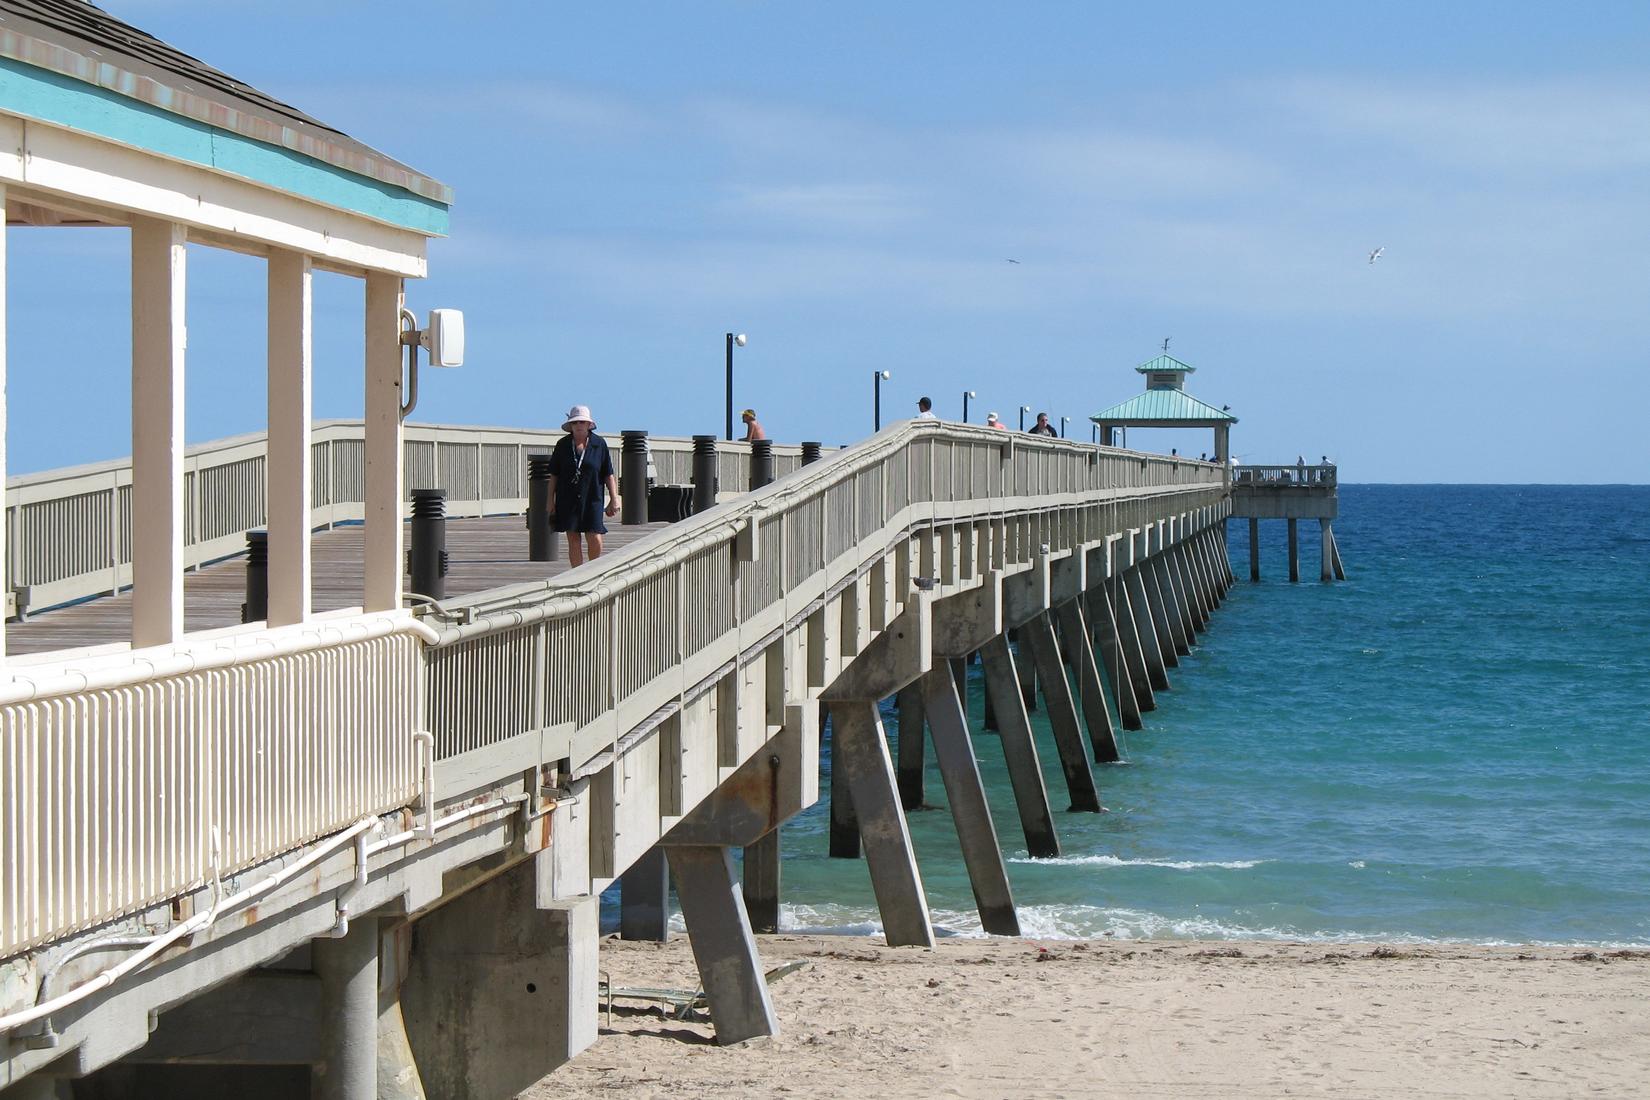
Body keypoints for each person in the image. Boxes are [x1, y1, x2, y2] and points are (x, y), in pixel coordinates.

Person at [548, 405, 619, 566]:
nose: (579, 425)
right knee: (573, 538)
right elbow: (554, 475)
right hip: (567, 497)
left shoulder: (599, 444)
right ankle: (577, 575)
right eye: (575, 423)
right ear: (570, 426)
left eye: (582, 422)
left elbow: (608, 473)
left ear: (589, 425)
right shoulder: (563, 445)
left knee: (594, 536)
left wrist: (614, 498)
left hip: (592, 496)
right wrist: (550, 500)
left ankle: (592, 569)